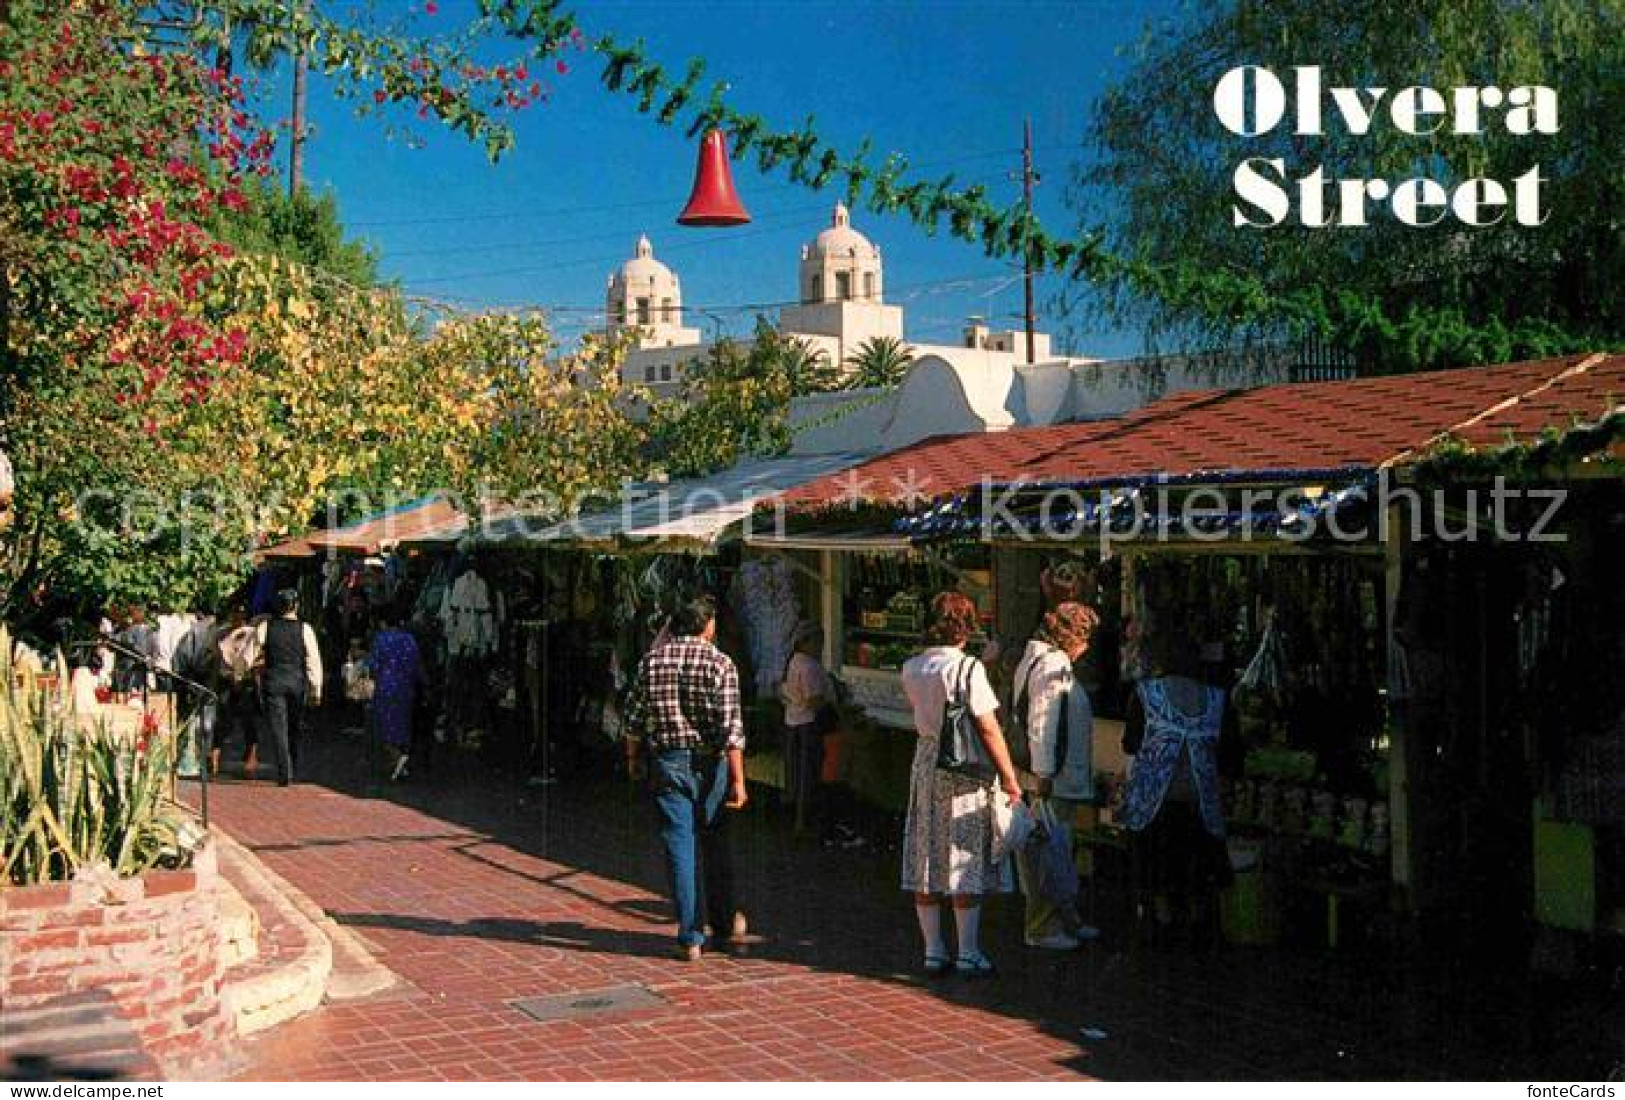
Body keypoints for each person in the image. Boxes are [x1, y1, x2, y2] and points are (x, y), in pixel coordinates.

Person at [899, 591, 1023, 977]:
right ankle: (968, 951)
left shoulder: (912, 667)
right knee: (963, 853)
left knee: (926, 852)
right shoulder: (969, 669)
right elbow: (987, 726)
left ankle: (933, 948)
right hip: (965, 768)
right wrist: (1009, 777)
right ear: (965, 627)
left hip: (926, 762)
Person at [622, 593, 748, 962]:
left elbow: (632, 718)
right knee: (715, 842)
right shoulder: (720, 664)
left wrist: (631, 759)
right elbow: (731, 730)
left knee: (679, 845)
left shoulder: (652, 661)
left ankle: (691, 935)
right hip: (711, 762)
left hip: (667, 759)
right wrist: (739, 780)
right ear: (708, 625)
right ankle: (723, 922)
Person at [1120, 632, 1233, 945]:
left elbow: (1131, 743)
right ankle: (1198, 923)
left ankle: (1161, 921)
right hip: (1201, 802)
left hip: (1155, 801)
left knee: (1157, 871)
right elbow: (1230, 752)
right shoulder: (1216, 699)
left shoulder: (1145, 694)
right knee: (1196, 872)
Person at [1011, 601, 1100, 950]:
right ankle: (1044, 925)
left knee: (1053, 847)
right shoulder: (1054, 665)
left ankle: (1064, 916)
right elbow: (1043, 720)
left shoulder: (1033, 659)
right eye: (1085, 637)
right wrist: (1044, 772)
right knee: (1050, 849)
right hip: (1053, 776)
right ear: (1072, 636)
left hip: (1045, 773)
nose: (1088, 647)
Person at [255, 589, 323, 786]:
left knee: (278, 728)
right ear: (295, 606)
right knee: (294, 727)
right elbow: (313, 660)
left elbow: (249, 652)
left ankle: (284, 771)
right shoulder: (305, 629)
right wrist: (316, 688)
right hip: (296, 682)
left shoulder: (266, 627)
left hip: (273, 680)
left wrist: (241, 671)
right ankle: (292, 764)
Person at [778, 621, 834, 836]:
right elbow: (814, 700)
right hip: (808, 724)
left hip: (792, 722)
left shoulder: (793, 663)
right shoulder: (809, 666)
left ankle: (796, 820)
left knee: (796, 773)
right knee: (807, 776)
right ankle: (803, 823)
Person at [368, 604, 424, 781]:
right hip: (406, 688)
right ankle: (399, 764)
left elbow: (374, 666)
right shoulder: (409, 640)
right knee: (401, 726)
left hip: (385, 687)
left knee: (383, 728)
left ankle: (398, 759)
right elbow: (416, 665)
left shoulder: (381, 639)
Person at [214, 604, 261, 776]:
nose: (237, 617)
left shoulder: (252, 633)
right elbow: (216, 658)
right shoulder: (221, 633)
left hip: (246, 681)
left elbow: (258, 657)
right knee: (223, 718)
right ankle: (215, 753)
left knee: (249, 720)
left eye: (241, 614)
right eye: (234, 613)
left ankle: (252, 754)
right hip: (226, 679)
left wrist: (248, 674)